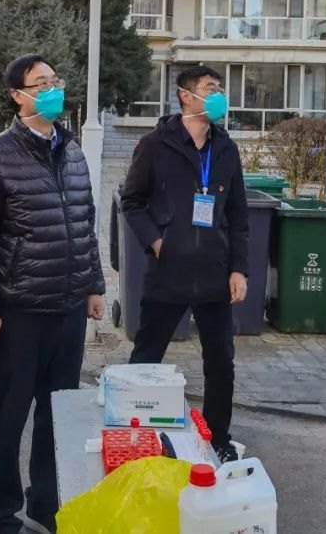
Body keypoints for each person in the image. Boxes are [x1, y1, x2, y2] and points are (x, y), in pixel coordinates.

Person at [0, 54, 106, 534]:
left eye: (54, 81)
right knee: (9, 415)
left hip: (68, 308)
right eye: (40, 83)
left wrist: (93, 285)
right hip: (19, 310)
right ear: (17, 95)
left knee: (58, 415)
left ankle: (46, 503)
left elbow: (85, 224)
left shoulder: (72, 151)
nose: (52, 89)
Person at [120, 64, 249, 462]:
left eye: (220, 88)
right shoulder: (156, 145)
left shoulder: (225, 148)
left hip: (214, 272)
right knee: (146, 358)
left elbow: (239, 214)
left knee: (220, 363)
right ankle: (134, 437)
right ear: (186, 96)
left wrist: (239, 268)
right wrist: (158, 242)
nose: (219, 95)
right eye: (210, 88)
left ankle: (218, 438)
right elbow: (132, 201)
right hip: (169, 271)